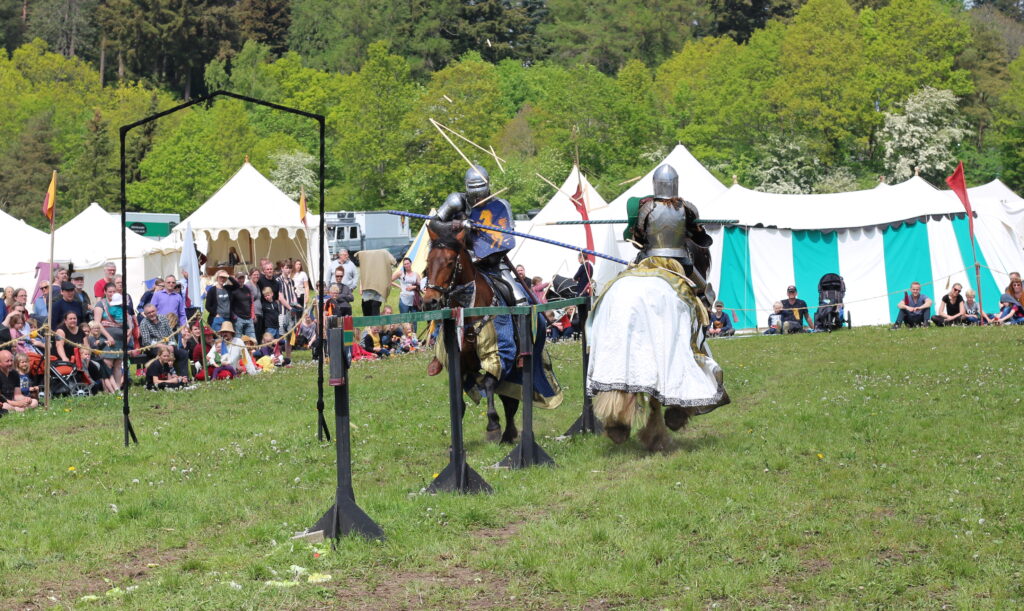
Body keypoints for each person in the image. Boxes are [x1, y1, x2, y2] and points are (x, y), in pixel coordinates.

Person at [586, 163, 727, 449]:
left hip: (647, 259)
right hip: (679, 263)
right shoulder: (687, 208)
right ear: (676, 185)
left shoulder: (644, 208)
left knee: (617, 287)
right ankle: (681, 403)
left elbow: (636, 236)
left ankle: (617, 413)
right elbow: (701, 239)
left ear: (654, 185)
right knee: (703, 300)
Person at [94, 283, 133, 389]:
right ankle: (107, 390)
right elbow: (97, 323)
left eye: (114, 291)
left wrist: (129, 330)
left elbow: (128, 318)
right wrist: (108, 337)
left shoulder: (120, 302)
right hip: (107, 339)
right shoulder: (101, 304)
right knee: (107, 364)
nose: (112, 294)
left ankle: (118, 388)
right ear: (105, 292)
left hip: (120, 339)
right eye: (109, 291)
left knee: (118, 365)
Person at [137, 304, 190, 381]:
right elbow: (146, 341)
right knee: (163, 354)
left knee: (183, 353)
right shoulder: (143, 323)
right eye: (149, 313)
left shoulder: (163, 319)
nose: (151, 314)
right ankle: (164, 377)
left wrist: (171, 345)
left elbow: (170, 334)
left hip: (168, 345)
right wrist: (161, 346)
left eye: (153, 311)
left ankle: (183, 377)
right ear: (145, 314)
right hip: (153, 347)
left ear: (156, 311)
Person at [355, 249, 396, 316]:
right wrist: (361, 287)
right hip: (368, 291)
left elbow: (393, 261)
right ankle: (368, 325)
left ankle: (375, 325)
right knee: (366, 309)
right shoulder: (368, 267)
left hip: (378, 291)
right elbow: (363, 277)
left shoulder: (382, 263)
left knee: (375, 307)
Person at [84, 322, 118, 394]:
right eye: (94, 328)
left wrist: (102, 342)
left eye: (98, 328)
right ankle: (113, 391)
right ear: (91, 329)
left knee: (109, 374)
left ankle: (115, 389)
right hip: (95, 360)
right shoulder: (90, 338)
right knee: (105, 376)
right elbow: (95, 348)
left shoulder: (96, 338)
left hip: (99, 360)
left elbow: (99, 347)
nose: (96, 330)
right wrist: (102, 342)